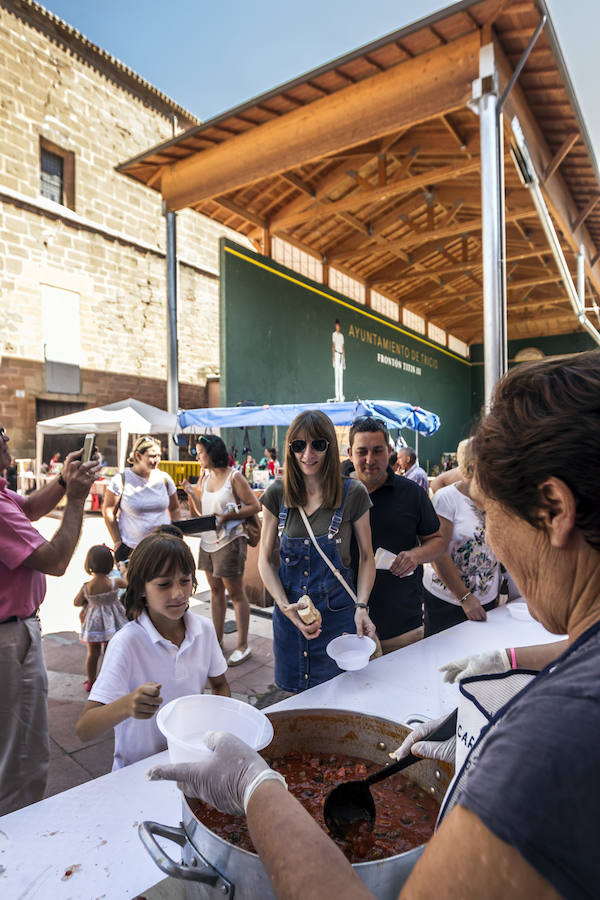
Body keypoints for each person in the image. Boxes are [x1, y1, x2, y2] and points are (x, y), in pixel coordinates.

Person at [148, 349, 600, 899]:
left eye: (489, 514)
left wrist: (257, 787)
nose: (490, 539)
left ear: (553, 510)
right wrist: (511, 660)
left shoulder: (550, 742)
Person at [0, 427, 99, 815]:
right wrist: (75, 498)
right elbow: (56, 560)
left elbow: (26, 508)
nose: (7, 438)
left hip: (12, 632)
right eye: (1, 434)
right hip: (10, 640)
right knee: (21, 757)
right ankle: (16, 843)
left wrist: (60, 480)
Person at [76, 532, 230, 769]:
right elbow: (85, 728)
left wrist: (213, 728)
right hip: (138, 771)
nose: (178, 593)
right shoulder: (126, 643)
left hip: (190, 762)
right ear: (140, 588)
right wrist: (126, 705)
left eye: (185, 580)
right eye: (164, 584)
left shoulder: (204, 630)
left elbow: (219, 684)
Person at [258, 410, 376, 692]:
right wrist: (284, 607)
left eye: (317, 445)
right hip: (290, 619)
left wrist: (362, 606)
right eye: (299, 445)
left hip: (338, 621)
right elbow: (264, 559)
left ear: (330, 447)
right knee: (295, 700)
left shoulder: (353, 493)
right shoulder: (277, 493)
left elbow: (367, 556)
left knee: (339, 697)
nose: (307, 453)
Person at [347, 417, 445, 652]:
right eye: (362, 452)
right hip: (346, 623)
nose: (370, 460)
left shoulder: (411, 493)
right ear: (350, 453)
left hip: (402, 624)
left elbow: (439, 542)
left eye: (377, 451)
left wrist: (416, 555)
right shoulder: (337, 494)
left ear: (389, 451)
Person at [182, 435, 260, 667]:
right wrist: (190, 493)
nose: (197, 456)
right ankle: (216, 640)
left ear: (212, 452)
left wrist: (229, 516)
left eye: (200, 452)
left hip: (230, 541)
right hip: (208, 541)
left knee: (235, 594)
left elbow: (255, 506)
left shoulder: (233, 477)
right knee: (215, 591)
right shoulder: (205, 477)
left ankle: (243, 645)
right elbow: (202, 512)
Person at [421, 437, 501, 636]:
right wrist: (465, 597)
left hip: (487, 598)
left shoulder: (497, 496)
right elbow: (437, 553)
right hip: (448, 602)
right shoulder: (447, 499)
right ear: (472, 467)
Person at [102, 436, 180, 565]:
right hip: (132, 550)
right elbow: (108, 511)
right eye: (152, 456)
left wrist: (176, 536)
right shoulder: (121, 480)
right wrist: (117, 542)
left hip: (164, 549)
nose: (157, 460)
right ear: (138, 456)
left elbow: (175, 508)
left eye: (159, 455)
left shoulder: (164, 479)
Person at [73, 544, 127, 692]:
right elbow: (126, 583)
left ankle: (91, 681)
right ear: (110, 564)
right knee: (110, 653)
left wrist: (88, 602)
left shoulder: (87, 586)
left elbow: (76, 602)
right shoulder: (114, 583)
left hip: (94, 625)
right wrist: (123, 569)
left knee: (93, 654)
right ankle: (110, 680)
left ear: (89, 564)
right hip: (112, 623)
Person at [331, 318, 345, 401]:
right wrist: (333, 358)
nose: (337, 327)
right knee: (336, 376)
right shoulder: (334, 334)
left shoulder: (342, 336)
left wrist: (344, 359)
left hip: (341, 356)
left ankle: (341, 396)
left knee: (341, 376)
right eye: (336, 326)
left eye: (338, 326)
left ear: (339, 326)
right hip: (336, 355)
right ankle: (337, 396)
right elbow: (333, 346)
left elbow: (343, 347)